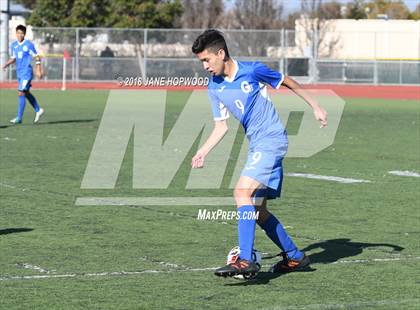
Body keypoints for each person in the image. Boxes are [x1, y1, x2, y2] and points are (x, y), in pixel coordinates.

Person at [191, 29, 327, 278]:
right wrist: (202, 151)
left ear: (221, 53)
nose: (205, 66)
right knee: (258, 210)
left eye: (206, 60)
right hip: (258, 145)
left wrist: (315, 106)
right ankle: (296, 257)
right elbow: (221, 126)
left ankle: (245, 260)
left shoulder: (252, 70)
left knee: (241, 192)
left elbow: (286, 80)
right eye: (202, 62)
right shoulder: (214, 87)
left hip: (272, 141)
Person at [2, 25, 44, 124]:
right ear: (16, 34)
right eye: (18, 33)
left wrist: (38, 69)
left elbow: (37, 57)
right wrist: (6, 64)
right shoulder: (14, 45)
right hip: (20, 73)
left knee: (21, 92)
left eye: (22, 33)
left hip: (27, 72)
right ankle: (38, 110)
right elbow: (14, 58)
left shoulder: (28, 44)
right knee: (26, 93)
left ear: (24, 34)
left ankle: (19, 118)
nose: (20, 35)